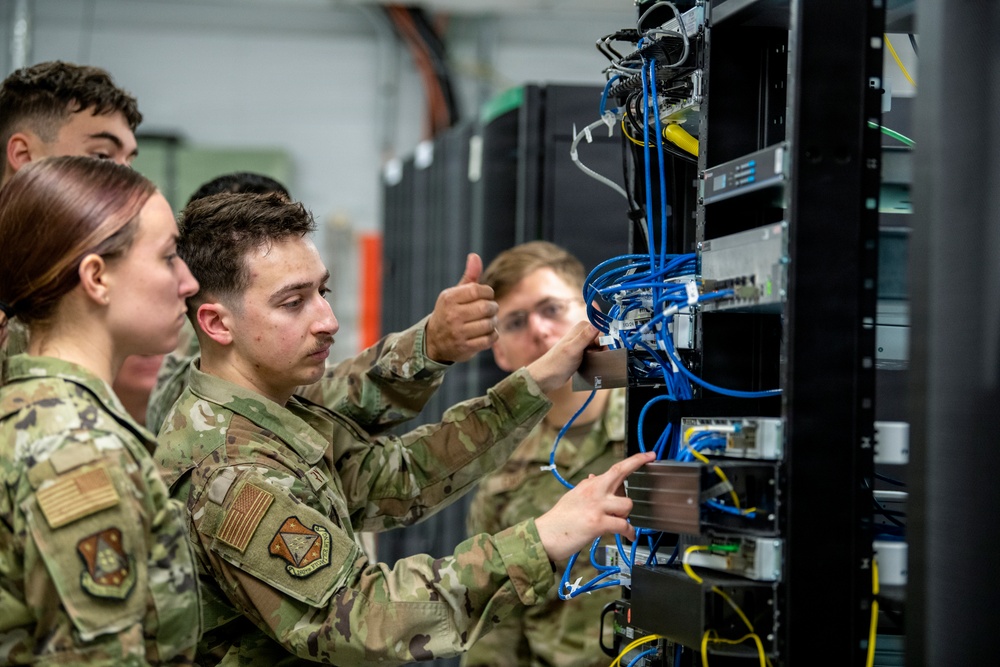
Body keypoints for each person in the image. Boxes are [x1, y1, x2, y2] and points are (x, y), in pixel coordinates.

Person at [154, 192, 655, 665]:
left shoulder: (272, 416)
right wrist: (542, 539)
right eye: (293, 303)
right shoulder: (230, 467)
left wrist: (539, 380)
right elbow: (358, 619)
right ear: (218, 324)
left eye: (322, 292)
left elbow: (401, 477)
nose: (327, 320)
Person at [0, 156, 201, 663]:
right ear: (96, 277)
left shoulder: (23, 410)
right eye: (168, 256)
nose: (189, 282)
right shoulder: (77, 449)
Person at [462, 241, 626, 667]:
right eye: (515, 322)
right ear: (499, 351)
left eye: (551, 309)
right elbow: (495, 624)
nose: (538, 330)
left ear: (592, 315)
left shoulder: (655, 422)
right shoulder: (501, 472)